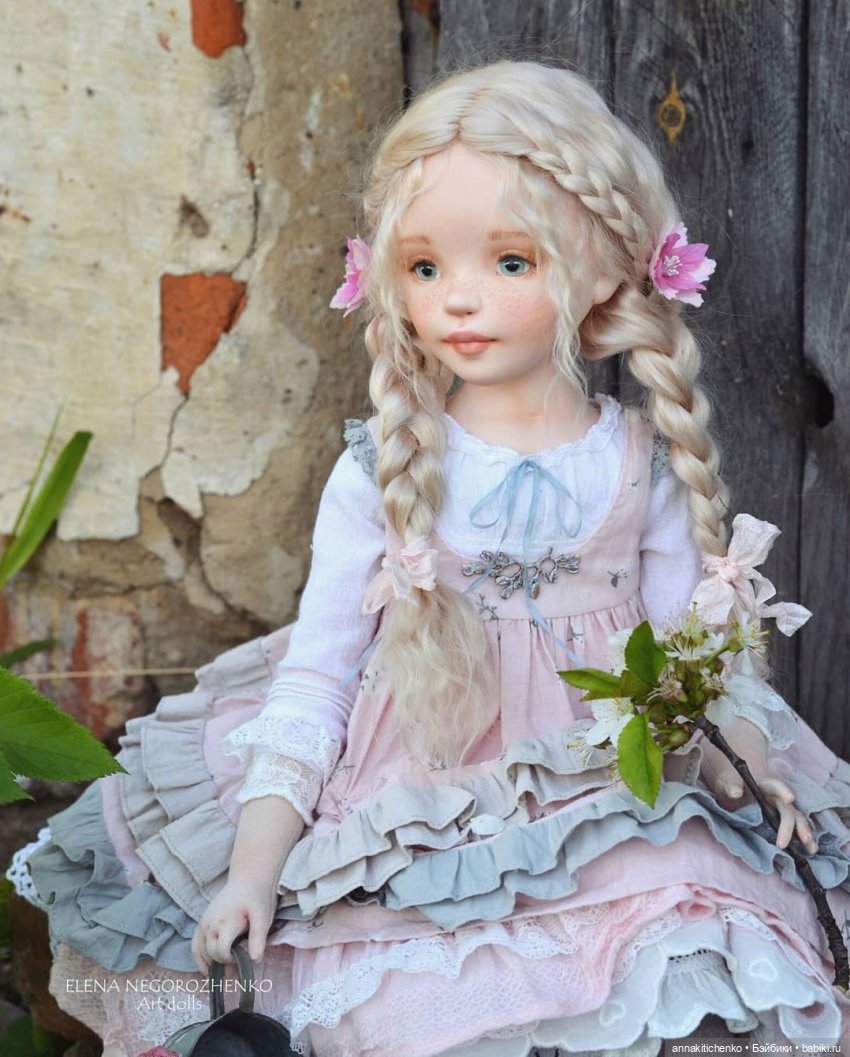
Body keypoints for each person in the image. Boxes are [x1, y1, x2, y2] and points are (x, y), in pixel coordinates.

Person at [23, 61, 850, 1056]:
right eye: (424, 267)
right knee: (412, 989)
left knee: (677, 935)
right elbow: (318, 676)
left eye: (510, 262)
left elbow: (694, 662)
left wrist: (743, 768)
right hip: (413, 792)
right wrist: (252, 871)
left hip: (613, 789)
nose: (458, 299)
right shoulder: (380, 471)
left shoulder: (637, 464)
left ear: (605, 268)